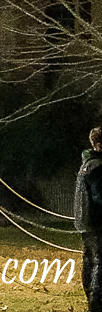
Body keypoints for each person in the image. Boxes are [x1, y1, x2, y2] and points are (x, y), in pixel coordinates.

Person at [75, 127, 102, 312]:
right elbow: (100, 197)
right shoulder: (98, 167)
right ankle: (97, 302)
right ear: (99, 145)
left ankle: (91, 296)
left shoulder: (86, 165)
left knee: (90, 260)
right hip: (97, 221)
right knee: (100, 261)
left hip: (85, 221)